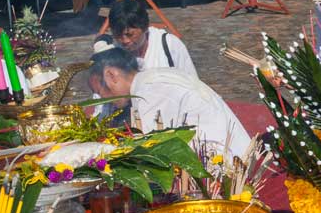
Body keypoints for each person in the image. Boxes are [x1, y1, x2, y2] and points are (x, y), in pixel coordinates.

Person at [87, 48, 249, 153]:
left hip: (221, 158)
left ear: (111, 75)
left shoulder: (148, 91)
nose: (103, 100)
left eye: (100, 92)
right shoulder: (150, 79)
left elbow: (150, 150)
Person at [107, 0, 197, 76]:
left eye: (130, 35)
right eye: (118, 34)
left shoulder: (170, 45)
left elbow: (193, 85)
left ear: (145, 27)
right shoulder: (111, 53)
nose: (124, 40)